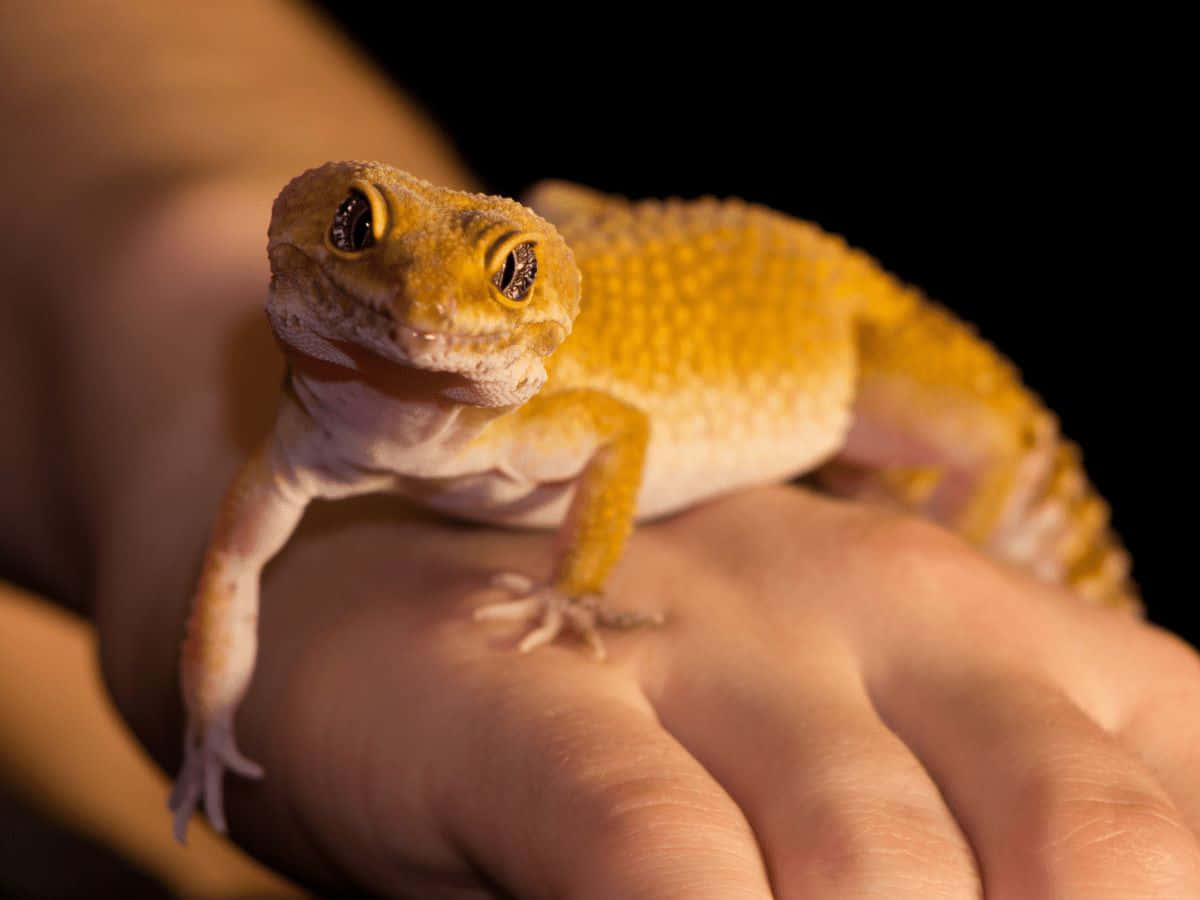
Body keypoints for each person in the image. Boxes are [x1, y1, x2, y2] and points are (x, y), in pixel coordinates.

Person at [2, 4, 1197, 897]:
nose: (422, 304)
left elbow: (622, 425)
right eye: (364, 234)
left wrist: (865, 513)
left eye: (500, 276)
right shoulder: (363, 373)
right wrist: (148, 374)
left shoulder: (637, 373)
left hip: (854, 328)